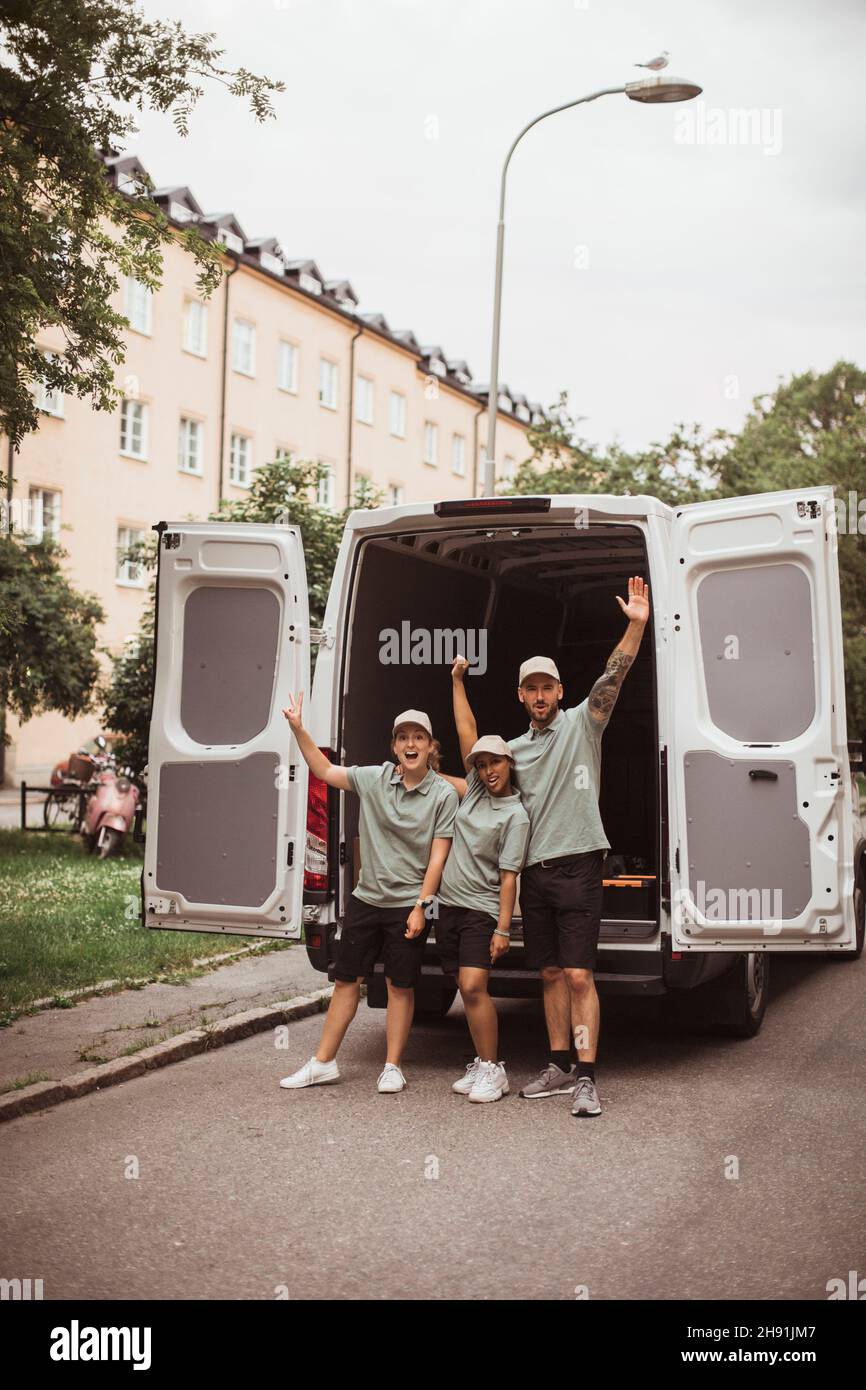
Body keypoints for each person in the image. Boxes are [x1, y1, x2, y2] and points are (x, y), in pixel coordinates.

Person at [452, 575, 650, 1117]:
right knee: (549, 973)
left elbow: (615, 675)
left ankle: (586, 1076)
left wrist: (634, 627)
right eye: (530, 688)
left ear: (560, 692)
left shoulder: (585, 725)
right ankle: (559, 1065)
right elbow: (473, 753)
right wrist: (457, 688)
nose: (540, 695)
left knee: (581, 973)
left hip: (581, 865)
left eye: (548, 687)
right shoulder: (510, 752)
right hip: (534, 874)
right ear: (521, 696)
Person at [278, 698, 458, 1094]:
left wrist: (421, 909)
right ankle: (322, 1063)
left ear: (431, 747)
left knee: (400, 985)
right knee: (346, 980)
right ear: (394, 746)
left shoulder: (443, 795)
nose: (411, 744)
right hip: (367, 899)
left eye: (419, 737)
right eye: (403, 737)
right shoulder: (374, 778)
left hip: (408, 904)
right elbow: (323, 769)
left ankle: (392, 1066)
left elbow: (438, 859)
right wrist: (297, 728)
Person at [434, 658, 530, 1103]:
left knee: (475, 986)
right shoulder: (473, 789)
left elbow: (509, 877)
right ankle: (479, 1062)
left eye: (496, 763)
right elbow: (464, 726)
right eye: (482, 763)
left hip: (481, 911)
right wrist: (456, 681)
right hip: (449, 907)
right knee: (462, 987)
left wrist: (503, 928)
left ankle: (494, 1070)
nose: (489, 770)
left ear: (509, 764)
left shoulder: (515, 815)